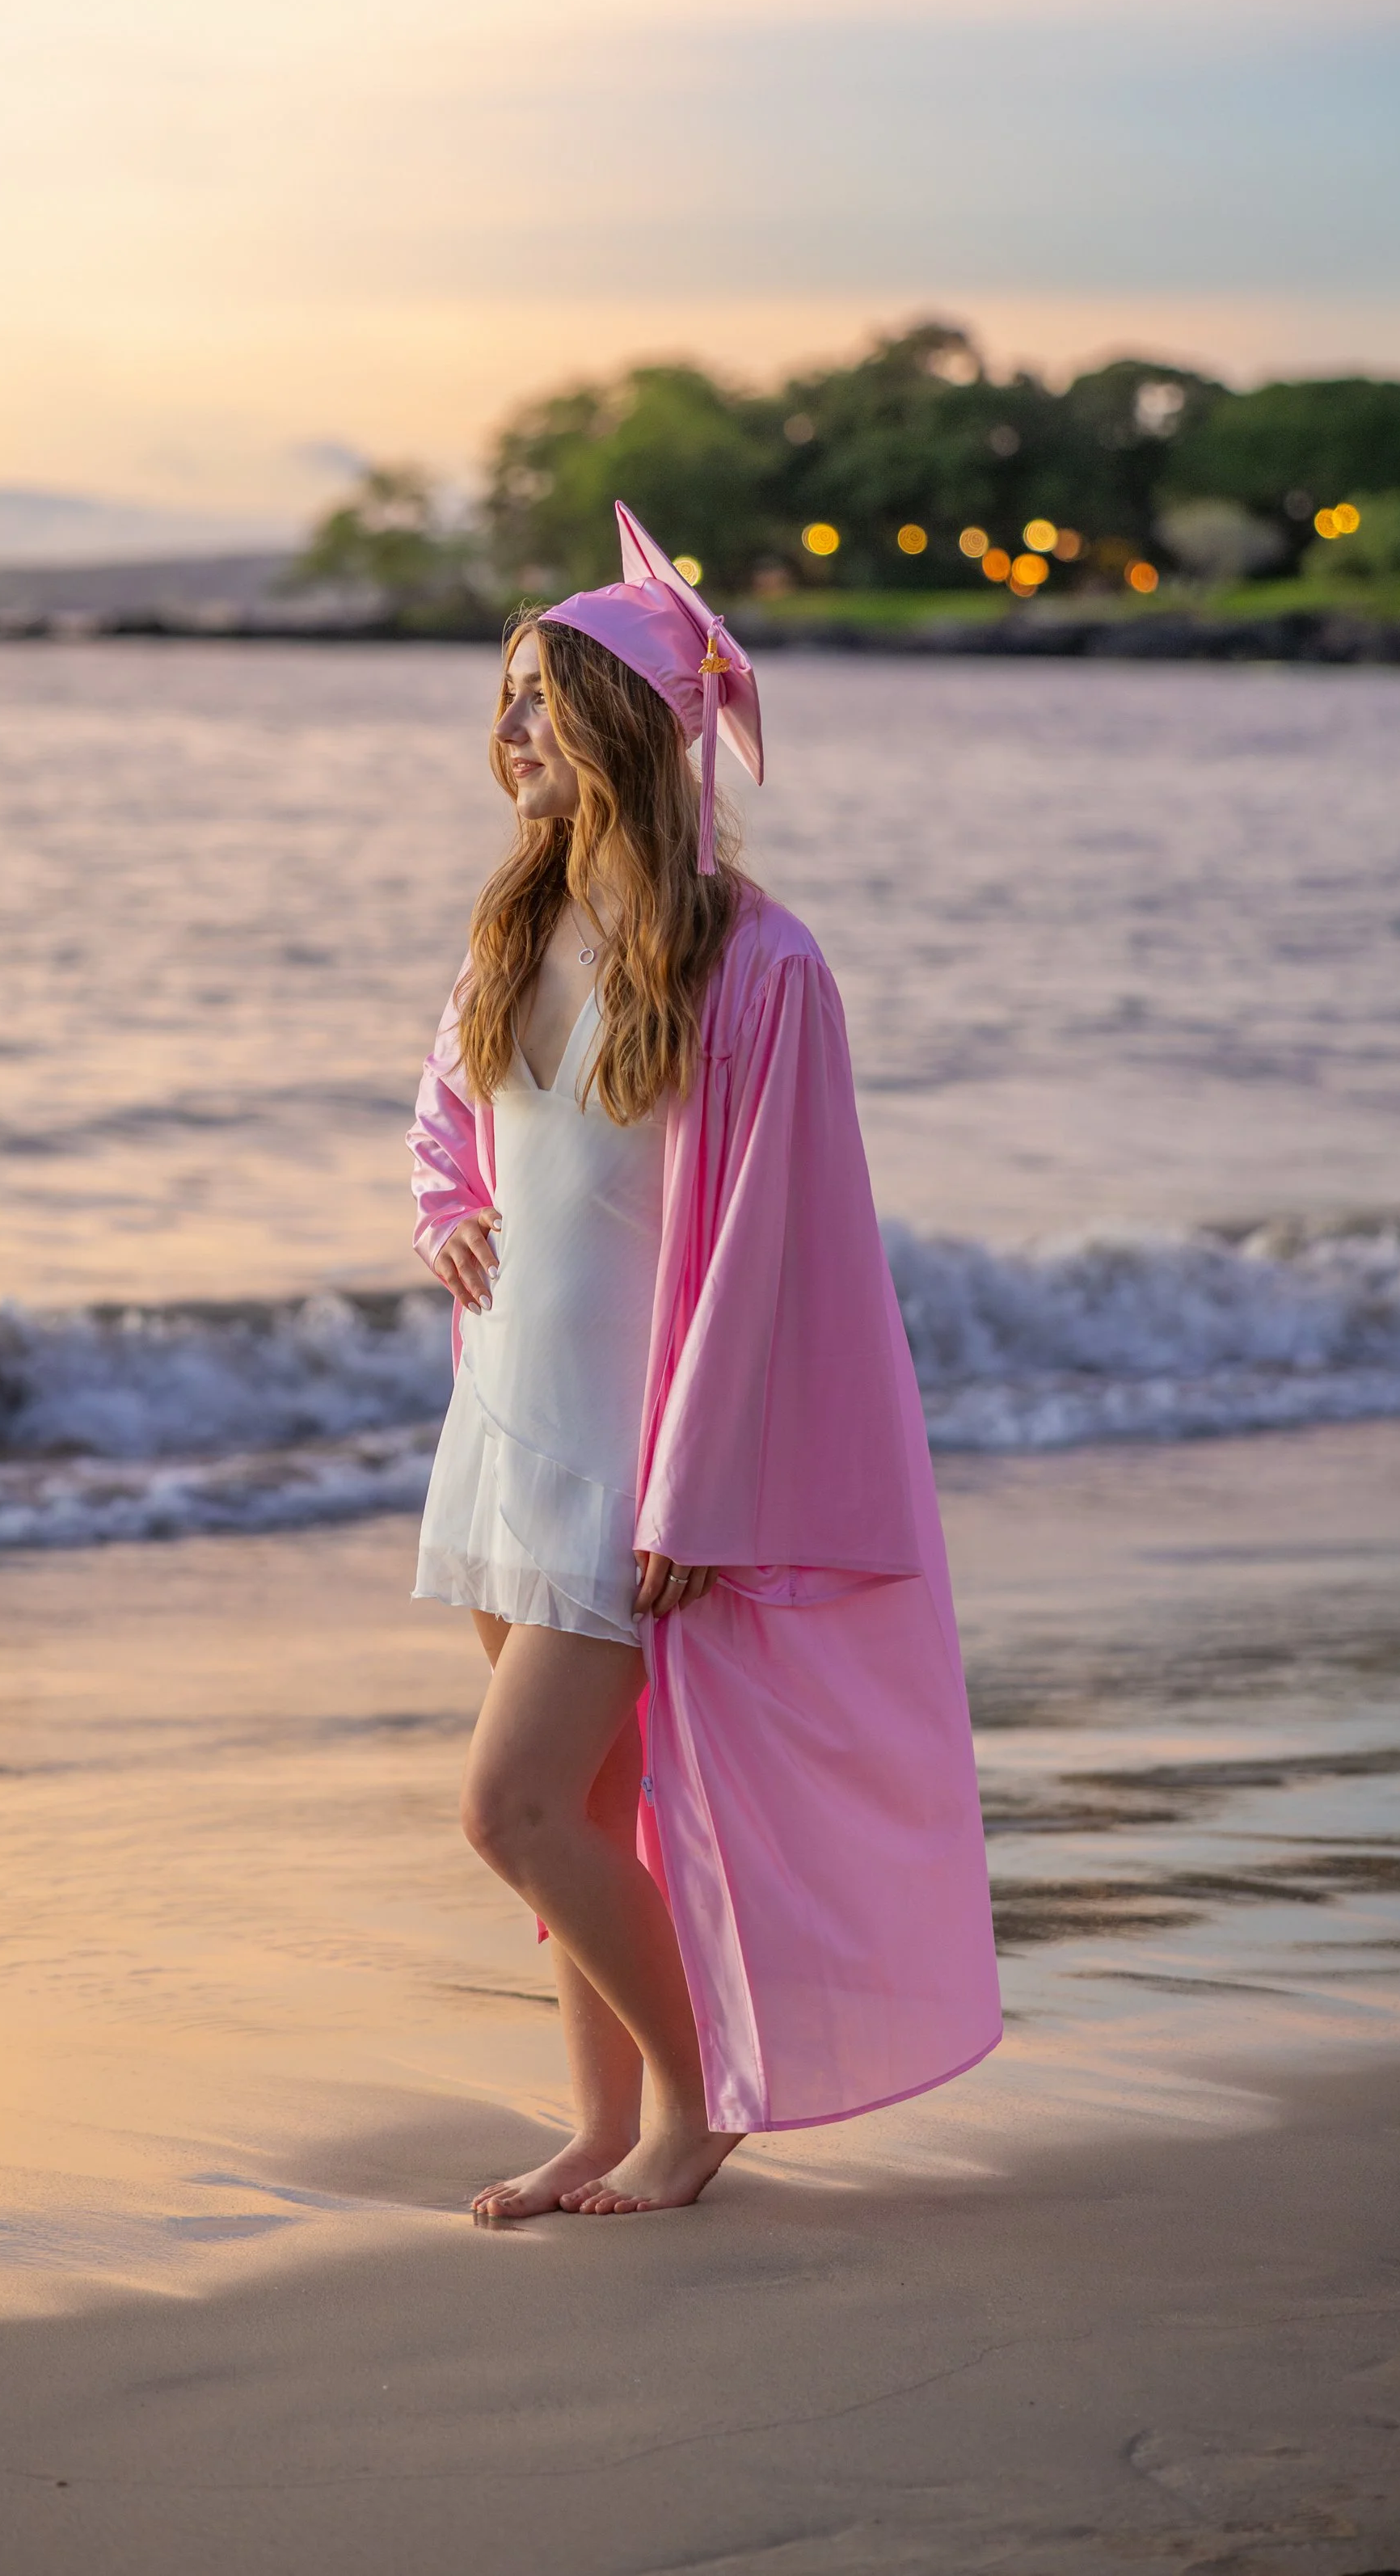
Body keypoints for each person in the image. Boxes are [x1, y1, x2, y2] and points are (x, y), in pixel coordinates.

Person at [409, 503, 1000, 2221]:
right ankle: (596, 2122)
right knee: (581, 1809)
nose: (506, 729)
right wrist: (444, 1207)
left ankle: (690, 2112)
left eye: (537, 697)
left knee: (510, 1808)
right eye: (504, 694)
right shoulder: (510, 931)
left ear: (618, 726)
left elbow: (775, 1257)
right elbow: (446, 1113)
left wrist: (699, 1494)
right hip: (511, 1419)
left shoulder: (759, 965)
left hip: (636, 1459)